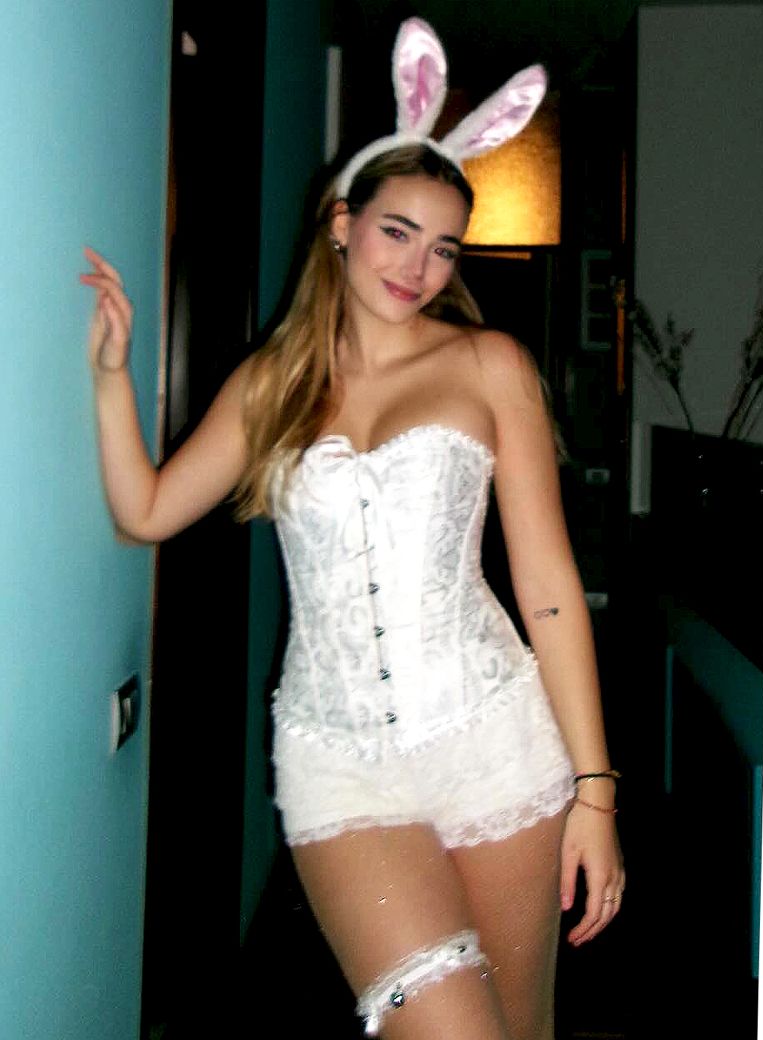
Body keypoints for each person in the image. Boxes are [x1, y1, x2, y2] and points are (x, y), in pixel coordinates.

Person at [79, 19, 620, 1040]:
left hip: (495, 740)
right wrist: (112, 379)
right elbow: (146, 510)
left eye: (444, 245)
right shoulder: (271, 383)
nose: (419, 266)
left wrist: (595, 790)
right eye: (397, 231)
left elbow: (549, 589)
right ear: (341, 222)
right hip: (338, 764)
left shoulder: (488, 365)